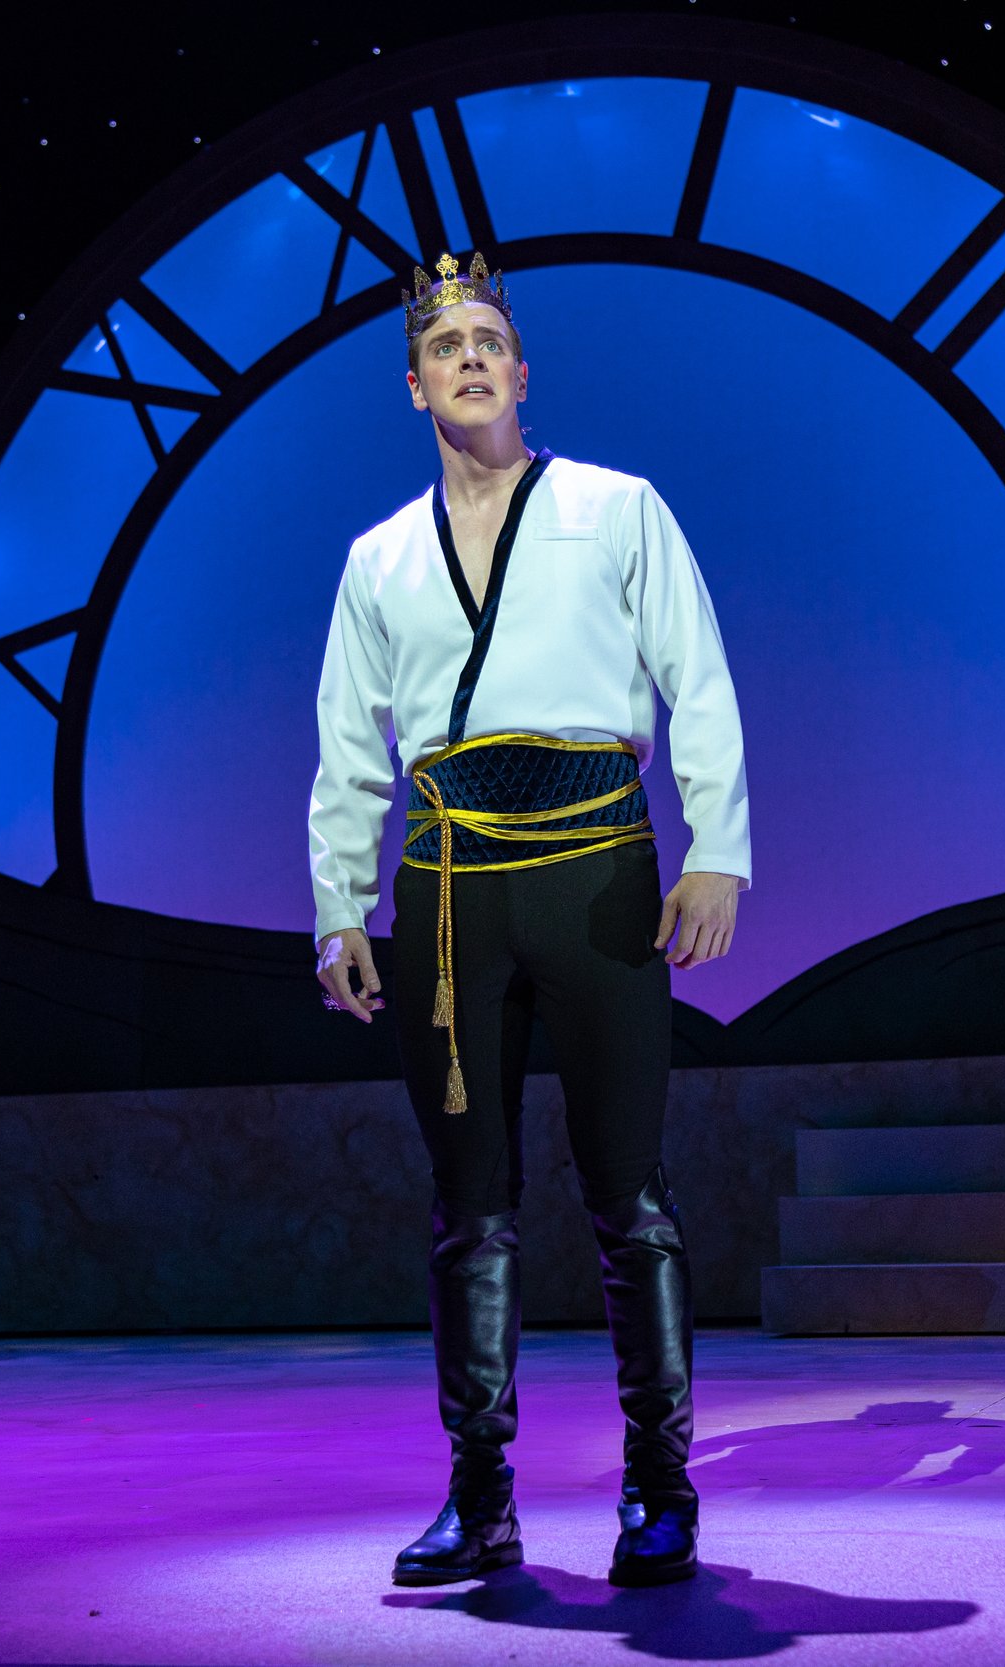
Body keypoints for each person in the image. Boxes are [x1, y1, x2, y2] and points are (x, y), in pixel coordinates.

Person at [307, 252, 752, 1590]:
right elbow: (348, 748)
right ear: (416, 385)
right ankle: (481, 1497)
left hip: (601, 871)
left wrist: (716, 851)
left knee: (632, 1197)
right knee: (470, 1209)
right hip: (449, 895)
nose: (475, 361)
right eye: (450, 349)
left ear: (521, 368)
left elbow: (700, 679)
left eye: (493, 341)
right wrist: (340, 902)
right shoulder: (378, 555)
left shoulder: (617, 508)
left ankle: (660, 1493)